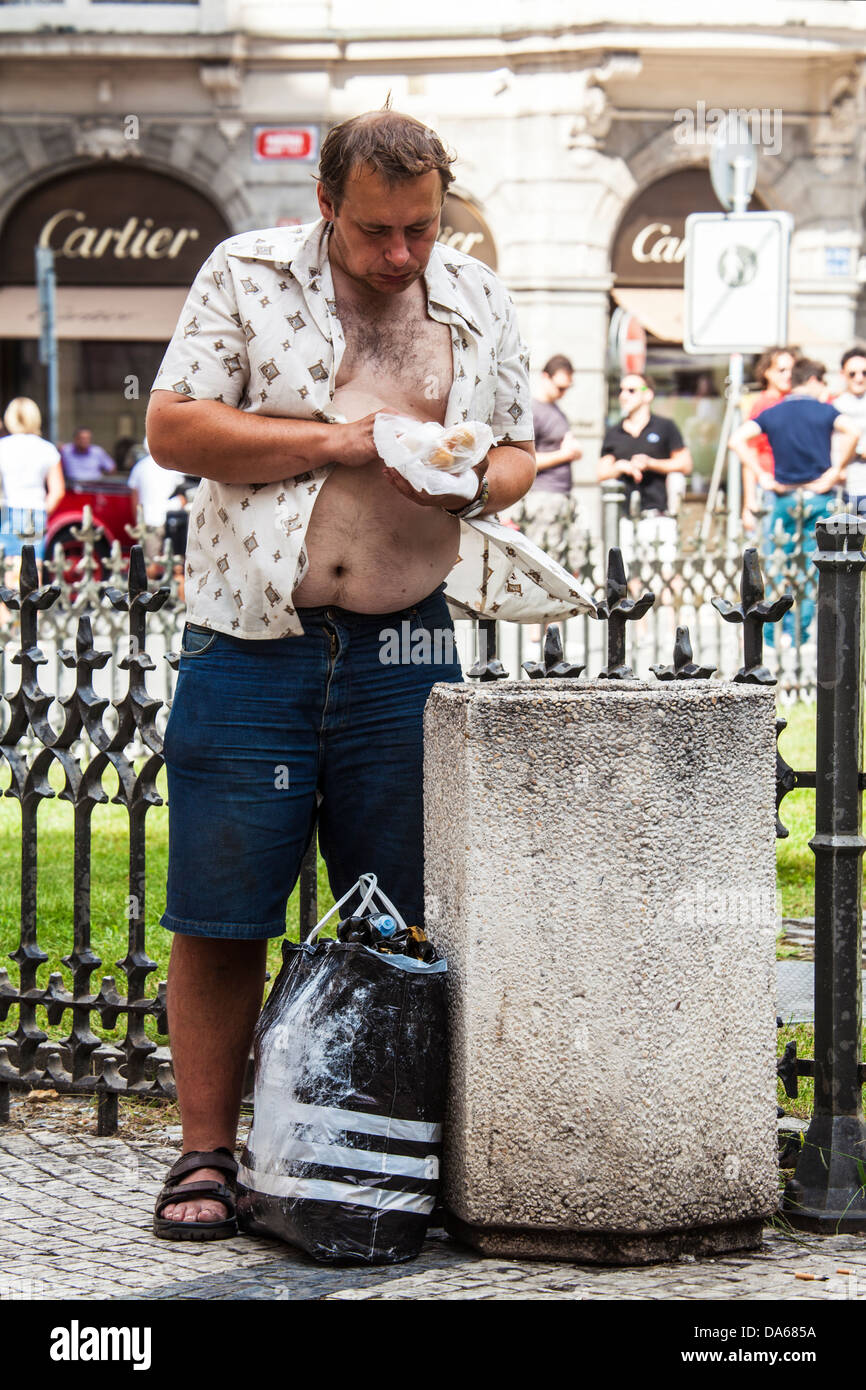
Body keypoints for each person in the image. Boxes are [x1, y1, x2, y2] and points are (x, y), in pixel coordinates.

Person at [144, 108, 540, 1237]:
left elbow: (514, 448)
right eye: (376, 231)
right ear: (326, 204)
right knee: (220, 912)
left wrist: (471, 479)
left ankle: (388, 1153)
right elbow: (174, 430)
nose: (401, 254)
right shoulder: (245, 272)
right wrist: (343, 440)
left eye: (420, 227)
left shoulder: (472, 295)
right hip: (251, 638)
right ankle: (205, 1154)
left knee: (407, 916)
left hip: (405, 645)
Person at [730, 357, 859, 642]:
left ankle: (775, 633)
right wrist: (837, 470)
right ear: (813, 380)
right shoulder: (825, 411)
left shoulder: (774, 413)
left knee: (778, 563)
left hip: (783, 496)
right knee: (813, 567)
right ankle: (798, 633)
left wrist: (762, 475)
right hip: (818, 495)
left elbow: (737, 440)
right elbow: (854, 431)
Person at [597, 372, 693, 561]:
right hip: (624, 516)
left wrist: (651, 463)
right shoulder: (614, 432)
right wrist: (621, 466)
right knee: (627, 577)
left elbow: (685, 464)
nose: (624, 395)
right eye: (621, 390)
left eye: (631, 390)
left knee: (665, 576)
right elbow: (601, 472)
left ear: (648, 394)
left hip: (658, 514)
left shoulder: (665, 427)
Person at [0, 397, 65, 563]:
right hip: (36, 510)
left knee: (11, 566)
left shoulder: (3, 446)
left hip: (10, 510)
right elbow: (57, 491)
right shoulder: (47, 448)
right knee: (34, 568)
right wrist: (43, 510)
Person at [741, 345, 795, 532]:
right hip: (769, 486)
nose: (788, 375)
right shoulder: (763, 404)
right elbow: (749, 452)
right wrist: (749, 502)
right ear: (767, 373)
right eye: (781, 370)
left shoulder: (794, 401)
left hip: (793, 484)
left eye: (791, 370)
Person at [127, 443, 186, 577]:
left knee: (149, 562)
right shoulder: (174, 465)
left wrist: (138, 519)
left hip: (149, 520)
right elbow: (184, 491)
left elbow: (134, 497)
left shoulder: (140, 467)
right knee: (175, 563)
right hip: (171, 518)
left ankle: (149, 595)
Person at [830, 345, 866, 513]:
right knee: (846, 539)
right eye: (853, 373)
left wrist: (855, 452)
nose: (859, 378)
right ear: (843, 374)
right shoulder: (834, 405)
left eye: (864, 373)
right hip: (842, 489)